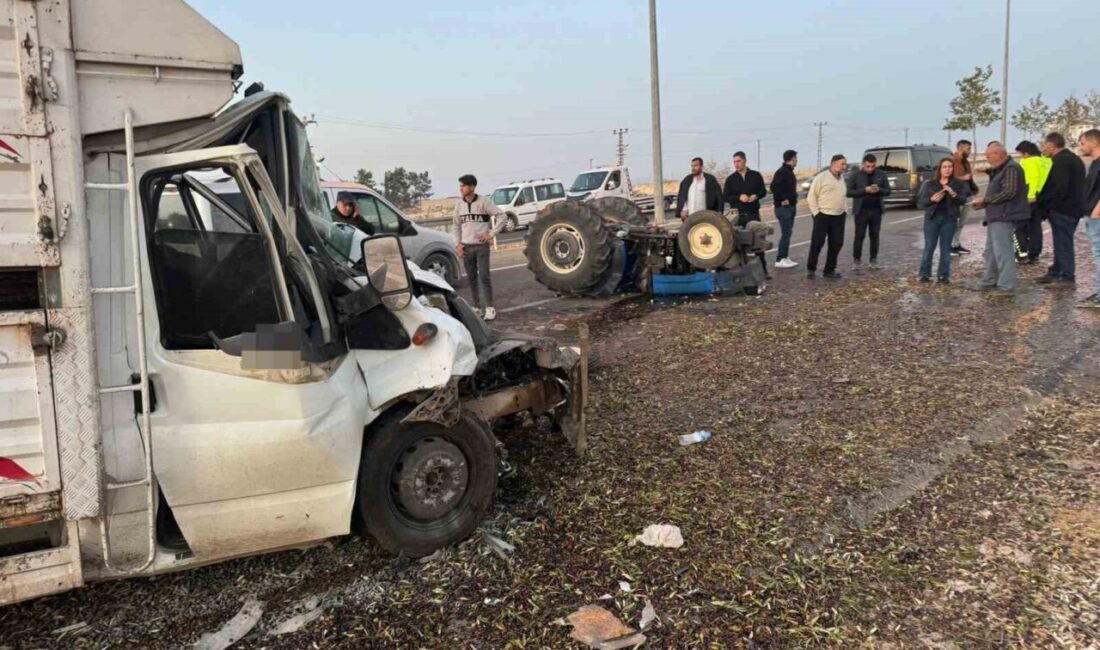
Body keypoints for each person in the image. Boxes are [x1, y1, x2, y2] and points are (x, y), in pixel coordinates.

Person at [971, 143, 1029, 296]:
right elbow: (996, 175)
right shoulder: (1003, 168)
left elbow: (1009, 192)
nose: (987, 158)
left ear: (998, 154)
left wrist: (985, 200)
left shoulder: (1011, 168)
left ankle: (1007, 286)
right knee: (991, 252)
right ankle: (989, 280)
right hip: (996, 216)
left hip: (1005, 216)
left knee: (1003, 252)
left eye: (989, 155)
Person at [1036, 132, 1087, 286]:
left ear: (1051, 145)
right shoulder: (1072, 159)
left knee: (1063, 243)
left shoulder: (1062, 161)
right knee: (1060, 242)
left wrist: (1049, 205)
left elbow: (1060, 187)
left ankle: (1066, 277)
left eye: (1045, 145)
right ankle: (1056, 271)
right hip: (1071, 208)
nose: (1043, 148)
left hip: (1063, 210)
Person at [453, 174, 506, 320]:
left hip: (481, 247)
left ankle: (489, 307)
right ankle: (476, 307)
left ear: (472, 187)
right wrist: (458, 244)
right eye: (460, 186)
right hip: (466, 247)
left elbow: (502, 216)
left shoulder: (484, 201)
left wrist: (491, 233)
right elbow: (456, 226)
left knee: (484, 277)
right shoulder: (459, 204)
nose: (461, 188)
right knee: (471, 279)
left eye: (463, 185)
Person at [917, 158, 969, 283]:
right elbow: (920, 203)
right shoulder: (930, 183)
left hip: (949, 219)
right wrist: (932, 200)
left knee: (946, 249)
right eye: (944, 167)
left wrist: (953, 193)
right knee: (929, 247)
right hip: (932, 219)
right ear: (940, 169)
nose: (947, 169)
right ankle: (925, 274)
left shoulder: (958, 183)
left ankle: (943, 275)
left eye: (950, 167)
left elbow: (963, 200)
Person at [723, 151, 769, 277]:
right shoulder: (731, 179)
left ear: (745, 161)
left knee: (758, 242)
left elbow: (763, 191)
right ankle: (743, 272)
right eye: (734, 162)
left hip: (753, 213)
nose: (736, 164)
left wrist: (756, 196)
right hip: (738, 216)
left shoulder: (755, 175)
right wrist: (738, 197)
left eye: (738, 161)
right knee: (740, 245)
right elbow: (725, 196)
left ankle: (764, 270)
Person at [846, 153, 892, 270]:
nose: (870, 169)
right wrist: (864, 190)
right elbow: (849, 192)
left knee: (875, 235)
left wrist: (879, 190)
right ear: (863, 164)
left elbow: (888, 191)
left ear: (875, 165)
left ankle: (873, 259)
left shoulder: (881, 174)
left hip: (876, 210)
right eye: (868, 166)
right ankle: (856, 260)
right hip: (861, 210)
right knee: (859, 236)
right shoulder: (856, 175)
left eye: (872, 166)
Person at [806, 154, 848, 279]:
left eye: (845, 164)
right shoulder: (821, 177)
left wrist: (844, 210)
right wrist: (816, 213)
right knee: (818, 243)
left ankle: (829, 270)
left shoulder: (841, 178)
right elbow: (811, 196)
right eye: (843, 164)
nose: (845, 166)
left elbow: (842, 194)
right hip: (823, 215)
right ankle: (811, 268)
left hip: (839, 216)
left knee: (836, 243)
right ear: (834, 163)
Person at [1013, 140, 1051, 264]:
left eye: (1021, 154)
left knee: (1019, 226)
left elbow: (1032, 178)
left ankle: (1022, 253)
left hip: (1029, 195)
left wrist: (1030, 195)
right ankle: (1034, 254)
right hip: (1041, 196)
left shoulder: (1029, 161)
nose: (1021, 157)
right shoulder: (1045, 161)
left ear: (1027, 153)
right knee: (1035, 226)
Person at [1077, 129, 1100, 308]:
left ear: (1094, 142)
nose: (1081, 147)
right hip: (1092, 215)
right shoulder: (1095, 163)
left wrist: (1096, 211)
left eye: (1083, 143)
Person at [770, 150, 800, 269]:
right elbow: (774, 186)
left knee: (788, 232)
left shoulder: (789, 172)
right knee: (786, 233)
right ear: (792, 159)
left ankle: (785, 257)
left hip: (791, 207)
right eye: (796, 158)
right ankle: (780, 259)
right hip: (783, 208)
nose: (797, 160)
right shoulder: (782, 172)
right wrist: (783, 198)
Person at [950, 140, 978, 255]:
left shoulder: (966, 162)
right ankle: (949, 246)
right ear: (961, 148)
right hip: (956, 197)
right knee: (954, 222)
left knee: (962, 222)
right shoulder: (952, 161)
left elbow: (969, 179)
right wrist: (962, 178)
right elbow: (948, 179)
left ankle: (956, 244)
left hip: (967, 195)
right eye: (968, 149)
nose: (970, 151)